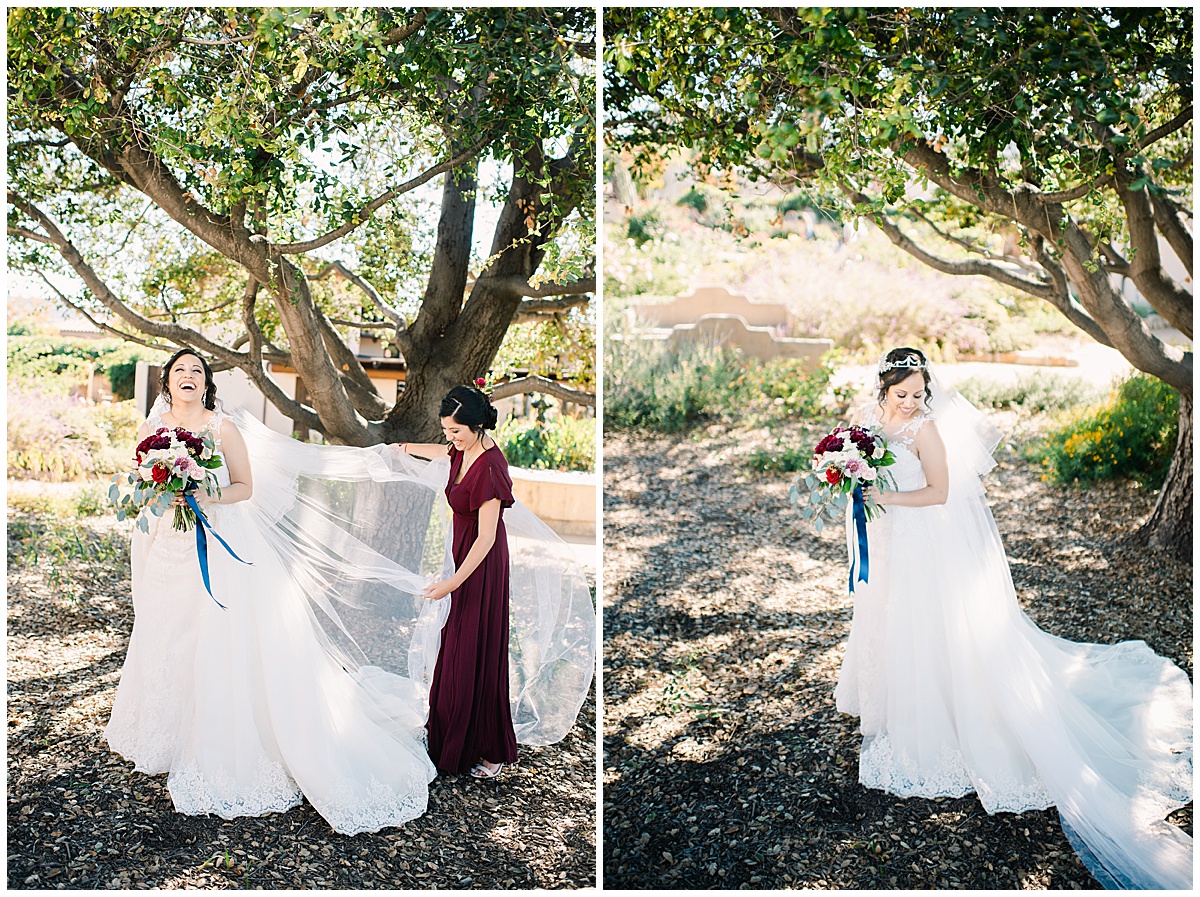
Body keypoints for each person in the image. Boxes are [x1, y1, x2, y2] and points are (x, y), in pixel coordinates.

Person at [105, 351, 594, 831]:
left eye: (196, 370)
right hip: (169, 545)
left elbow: (243, 487)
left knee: (218, 638)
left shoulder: (222, 427)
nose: (187, 376)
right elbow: (141, 481)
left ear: (207, 382)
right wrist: (157, 492)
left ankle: (472, 743)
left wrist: (200, 493)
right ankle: (166, 734)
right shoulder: (152, 429)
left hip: (226, 542)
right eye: (179, 370)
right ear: (167, 381)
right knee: (170, 632)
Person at [835, 346, 1192, 890]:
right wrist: (844, 481)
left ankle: (941, 714)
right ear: (882, 389)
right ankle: (893, 700)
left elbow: (940, 493)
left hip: (920, 542)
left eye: (917, 393)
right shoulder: (865, 420)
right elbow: (848, 461)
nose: (910, 402)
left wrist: (885, 496)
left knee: (929, 627)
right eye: (901, 394)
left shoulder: (926, 430)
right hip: (884, 544)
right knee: (888, 619)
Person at [396, 384, 518, 778]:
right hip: (461, 559)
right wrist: (405, 448)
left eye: (456, 431)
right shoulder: (460, 450)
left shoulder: (490, 467)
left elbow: (486, 538)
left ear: (478, 425)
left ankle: (490, 749)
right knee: (455, 649)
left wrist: (451, 583)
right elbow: (443, 454)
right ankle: (453, 738)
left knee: (475, 650)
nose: (450, 439)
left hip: (481, 567)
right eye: (446, 431)